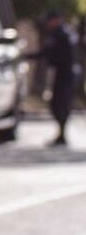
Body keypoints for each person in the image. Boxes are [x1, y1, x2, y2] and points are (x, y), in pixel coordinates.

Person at [37, 9, 79, 146]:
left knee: (61, 104)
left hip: (65, 74)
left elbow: (51, 53)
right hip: (61, 74)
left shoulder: (62, 34)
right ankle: (61, 134)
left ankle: (62, 135)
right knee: (57, 104)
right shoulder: (58, 33)